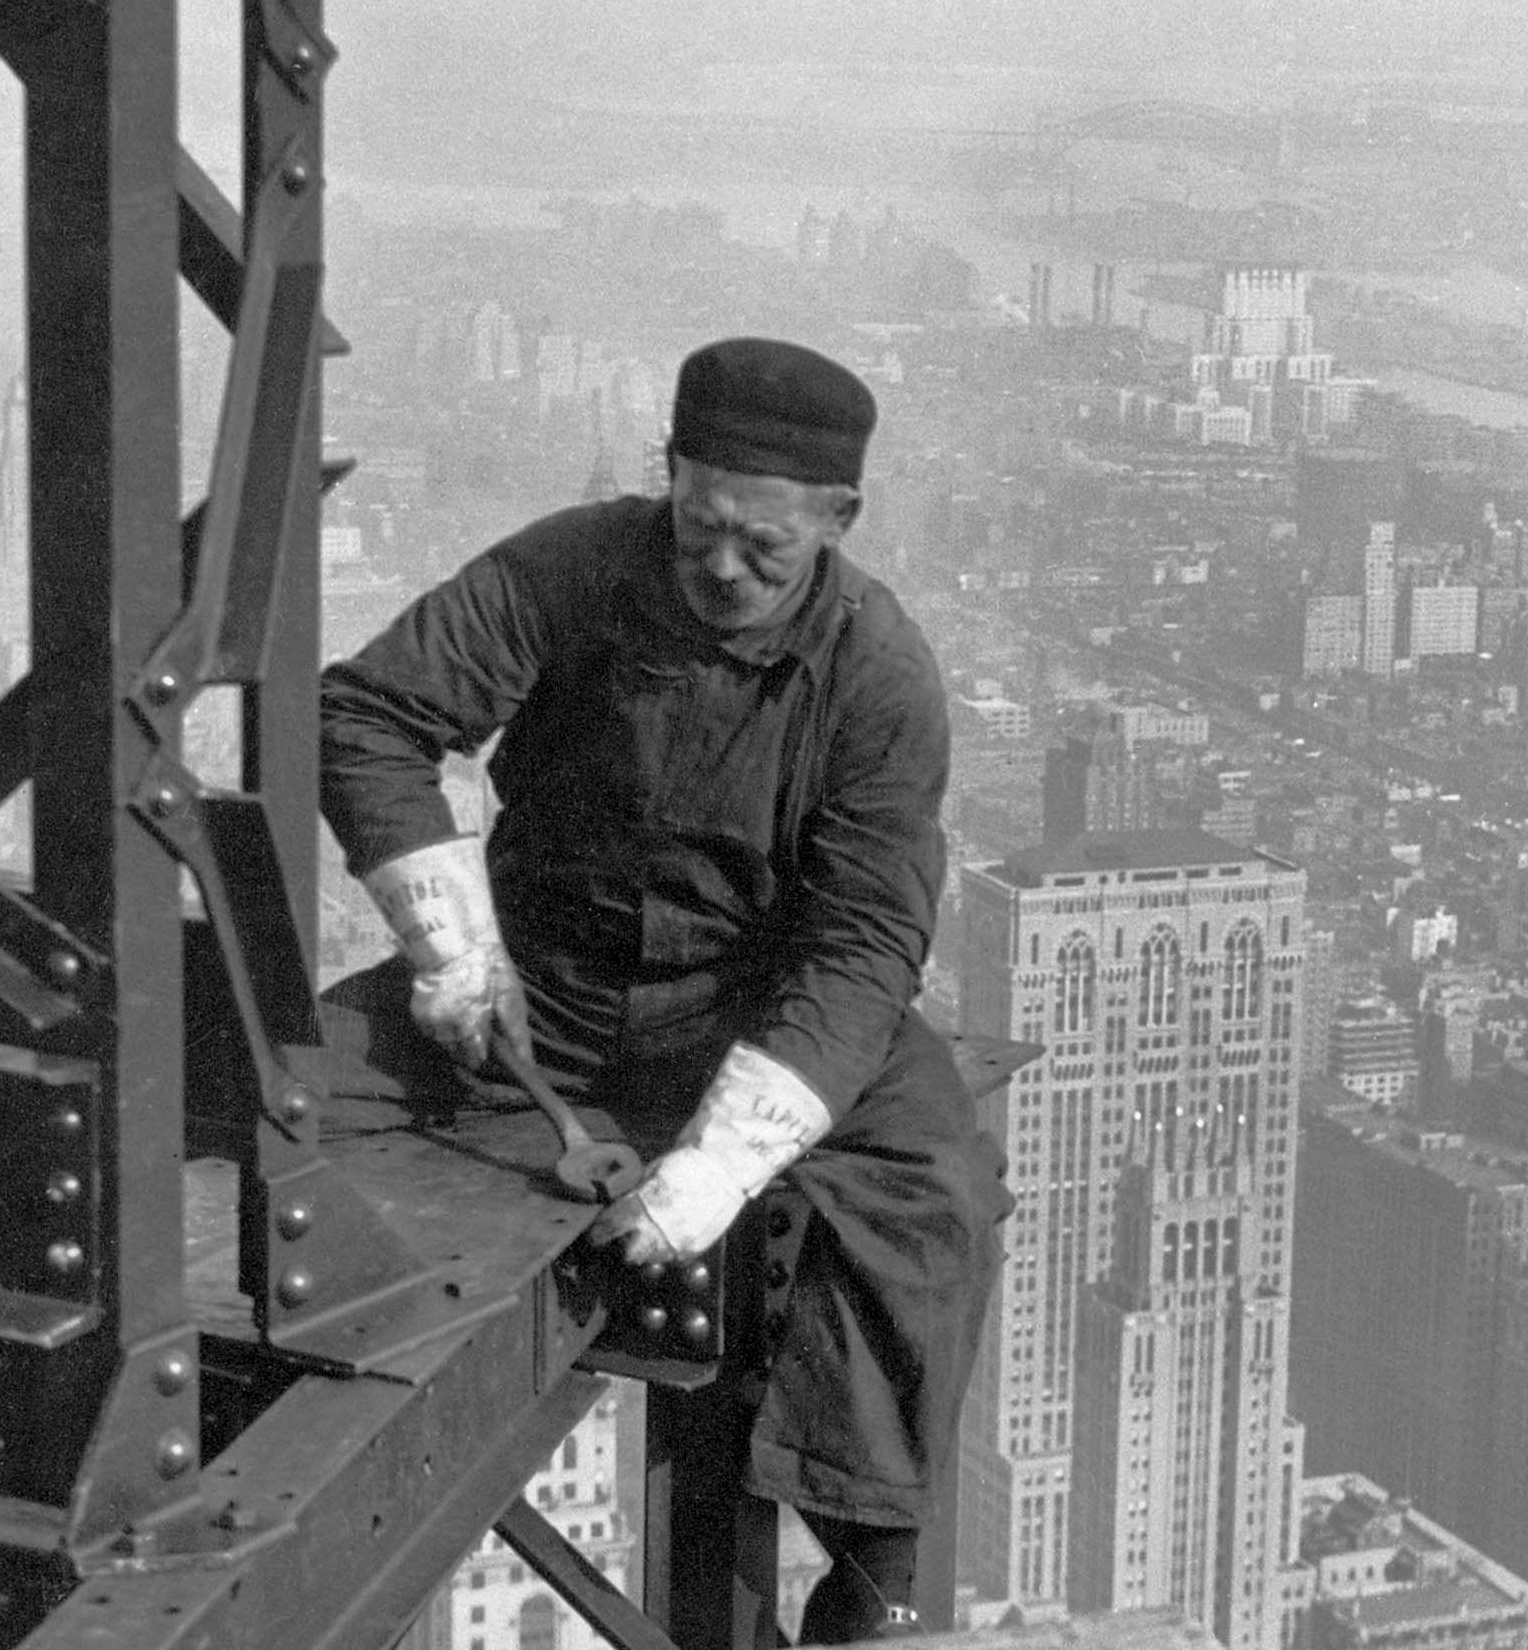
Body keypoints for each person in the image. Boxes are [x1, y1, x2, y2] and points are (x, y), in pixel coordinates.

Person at [318, 337, 1009, 1644]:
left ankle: (872, 1570)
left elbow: (863, 942)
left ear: (838, 523)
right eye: (700, 527)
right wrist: (451, 946)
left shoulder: (877, 673)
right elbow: (371, 715)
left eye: (765, 547)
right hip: (542, 988)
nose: (723, 569)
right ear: (668, 478)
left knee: (934, 1192)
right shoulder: (568, 568)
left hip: (752, 1009)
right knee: (279, 1088)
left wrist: (724, 1164)